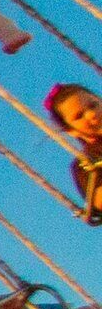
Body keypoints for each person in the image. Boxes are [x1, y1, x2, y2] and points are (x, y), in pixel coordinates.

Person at [55, 84, 102, 225]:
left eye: (93, 105)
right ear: (71, 131)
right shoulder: (85, 163)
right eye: (79, 116)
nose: (91, 115)